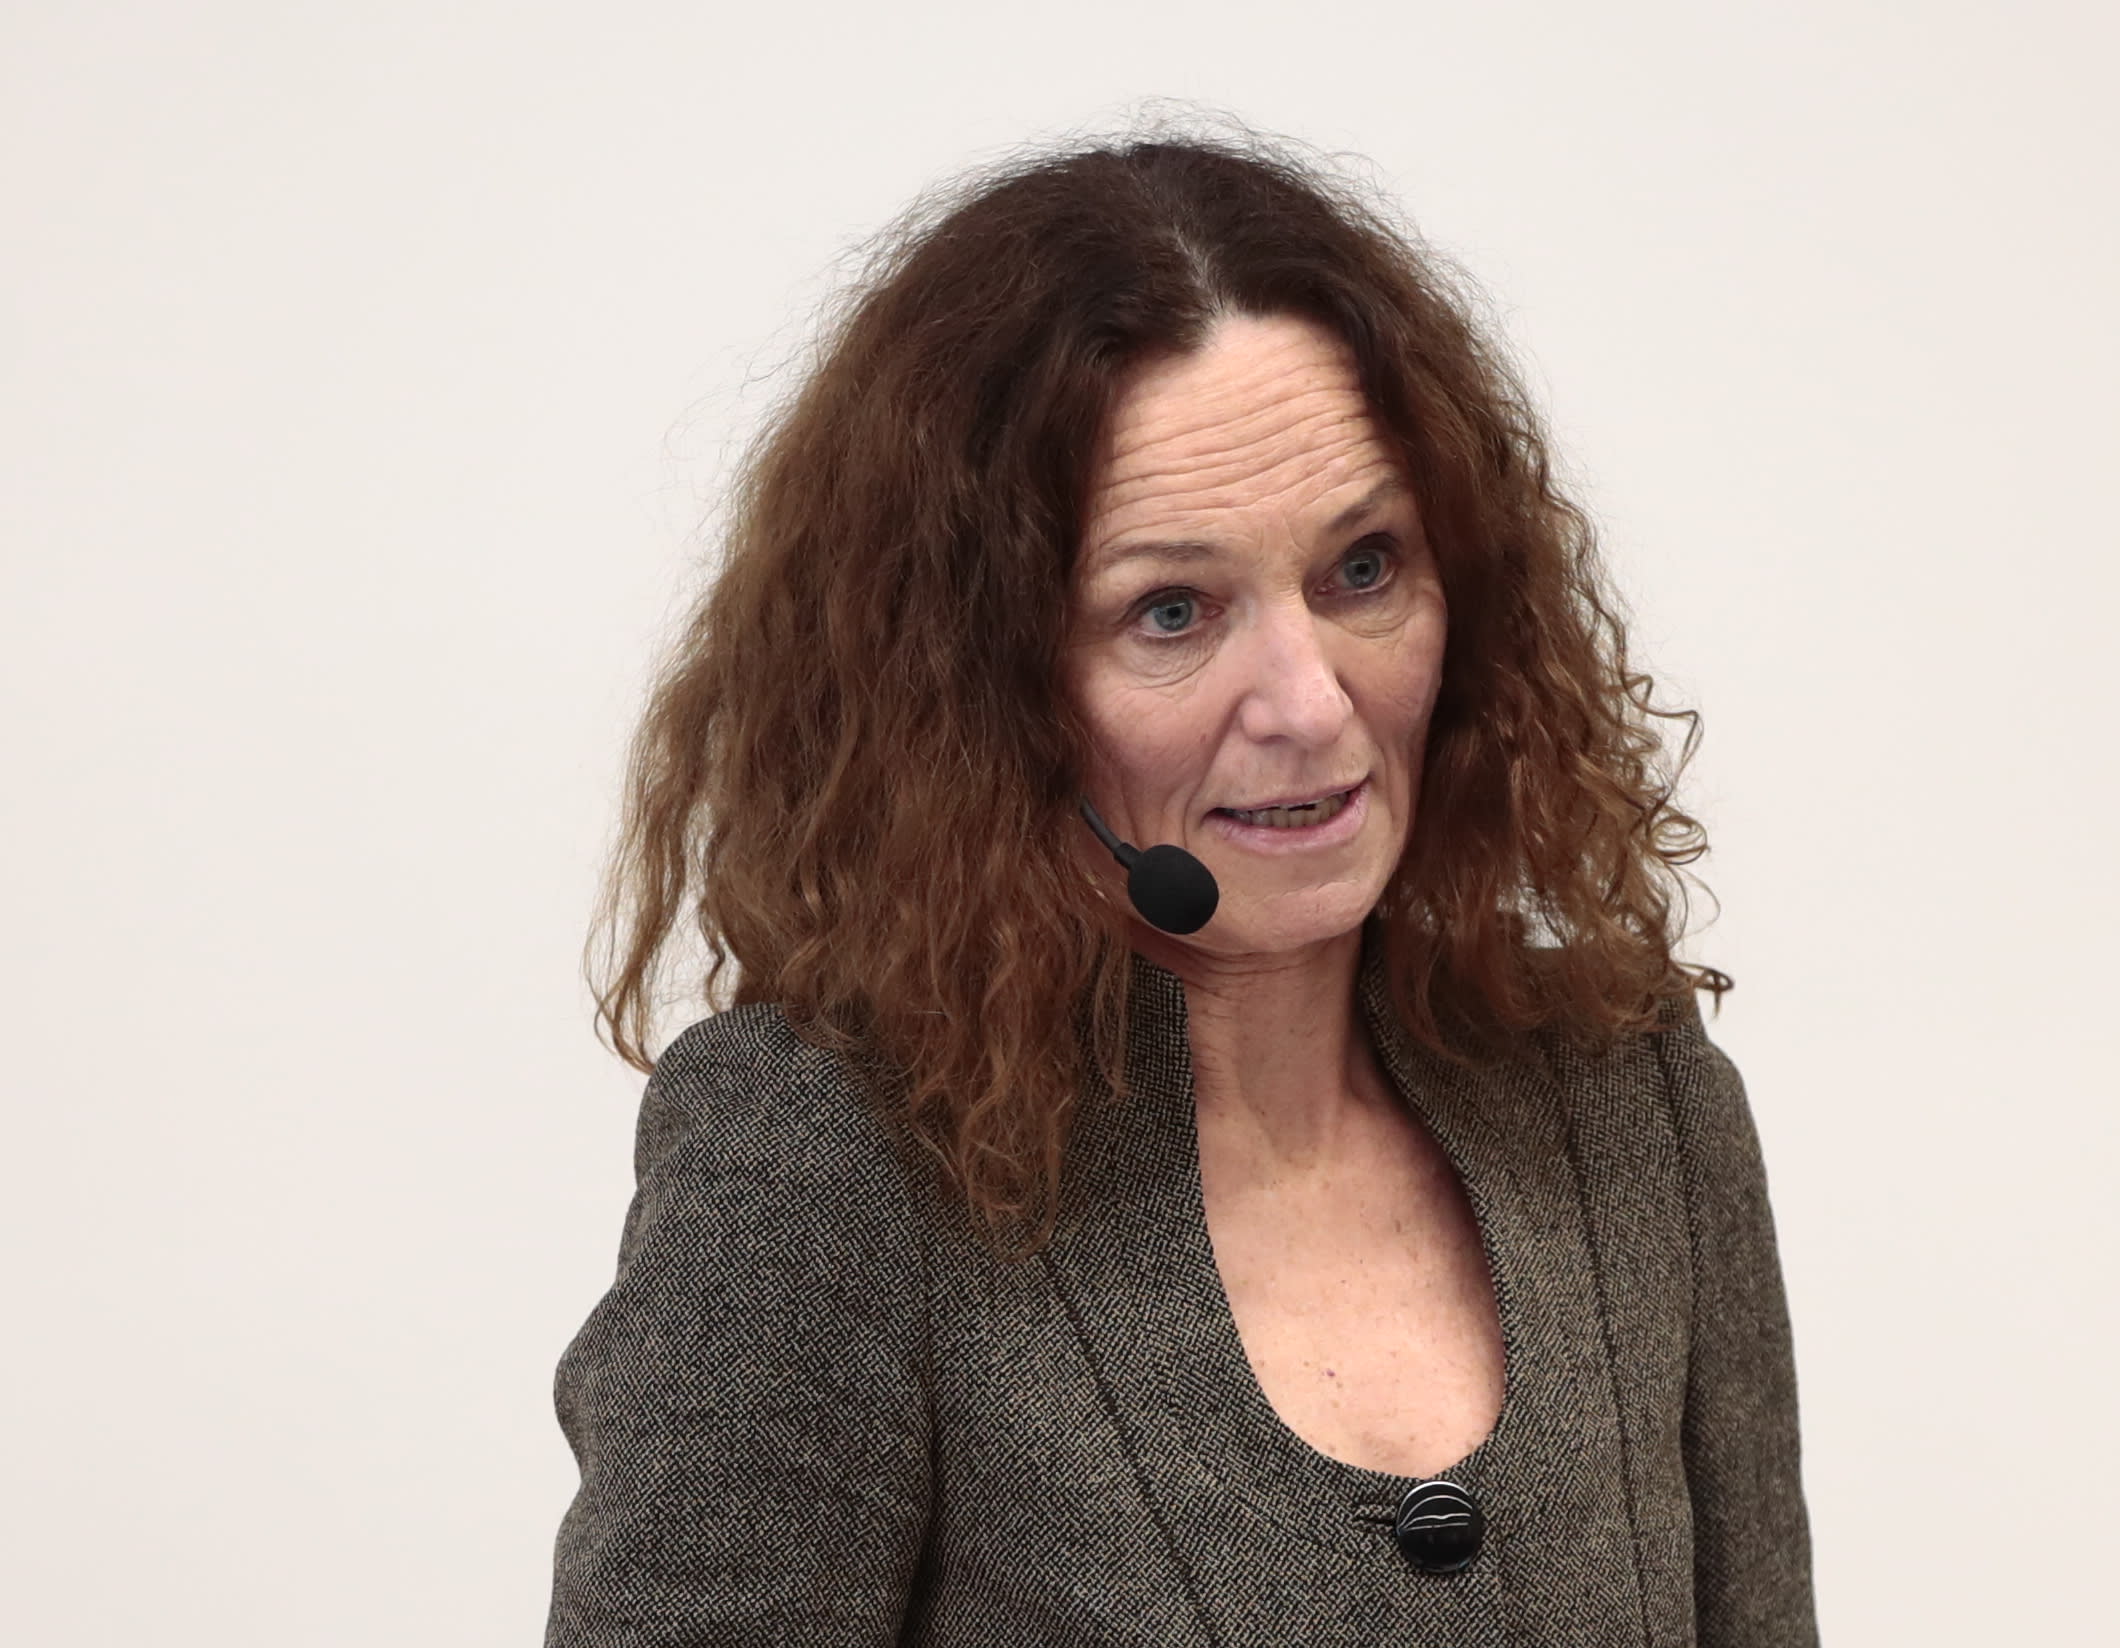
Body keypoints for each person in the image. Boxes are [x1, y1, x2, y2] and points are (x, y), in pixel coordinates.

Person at [545, 121, 1818, 1647]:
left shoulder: (1630, 1099)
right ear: (978, 694)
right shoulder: (827, 1166)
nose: (1311, 704)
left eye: (1362, 569)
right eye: (1171, 611)